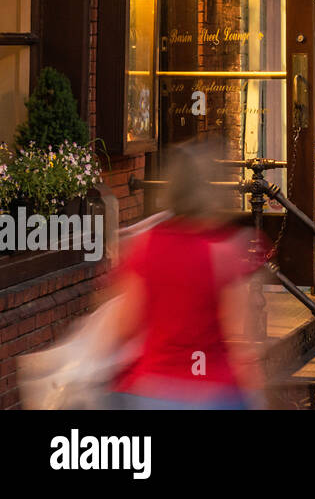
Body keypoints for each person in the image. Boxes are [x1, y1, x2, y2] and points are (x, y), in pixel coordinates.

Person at [107, 141, 266, 408]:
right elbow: (236, 336)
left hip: (151, 389)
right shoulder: (224, 252)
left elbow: (125, 324)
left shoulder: (143, 246)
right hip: (212, 391)